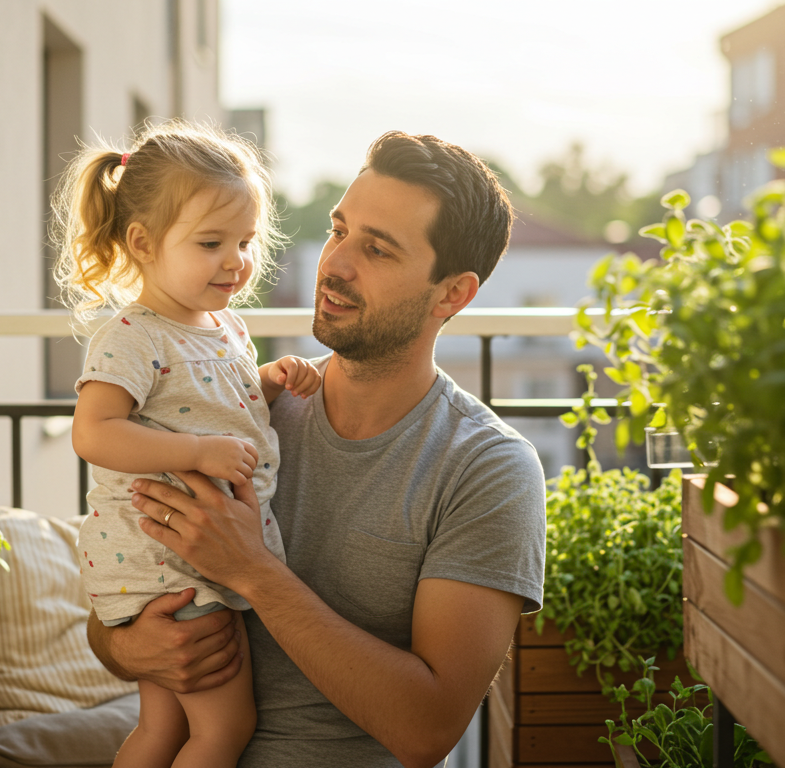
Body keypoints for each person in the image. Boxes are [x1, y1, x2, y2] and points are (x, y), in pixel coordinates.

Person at [87, 131, 547, 768]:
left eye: (377, 249)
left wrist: (253, 571)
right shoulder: (237, 409)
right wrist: (129, 648)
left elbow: (427, 730)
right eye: (339, 231)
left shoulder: (486, 468)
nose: (335, 264)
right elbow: (122, 586)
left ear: (452, 294)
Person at [52, 120, 323, 767]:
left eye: (245, 242)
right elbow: (94, 431)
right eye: (211, 243)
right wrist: (198, 455)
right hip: (165, 562)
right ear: (142, 243)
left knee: (163, 728)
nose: (236, 261)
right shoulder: (132, 335)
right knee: (225, 729)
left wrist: (266, 384)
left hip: (186, 556)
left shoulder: (225, 326)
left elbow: (212, 407)